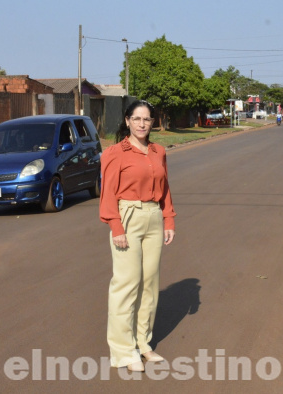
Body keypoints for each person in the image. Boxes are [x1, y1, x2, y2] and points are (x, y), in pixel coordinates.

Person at [99, 100, 177, 372]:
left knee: (149, 283)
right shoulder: (115, 153)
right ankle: (123, 351)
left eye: (147, 119)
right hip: (127, 216)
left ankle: (143, 343)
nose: (142, 124)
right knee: (126, 284)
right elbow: (108, 193)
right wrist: (116, 227)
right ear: (127, 120)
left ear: (152, 122)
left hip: (153, 216)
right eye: (137, 118)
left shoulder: (158, 151)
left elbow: (165, 188)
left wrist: (168, 219)